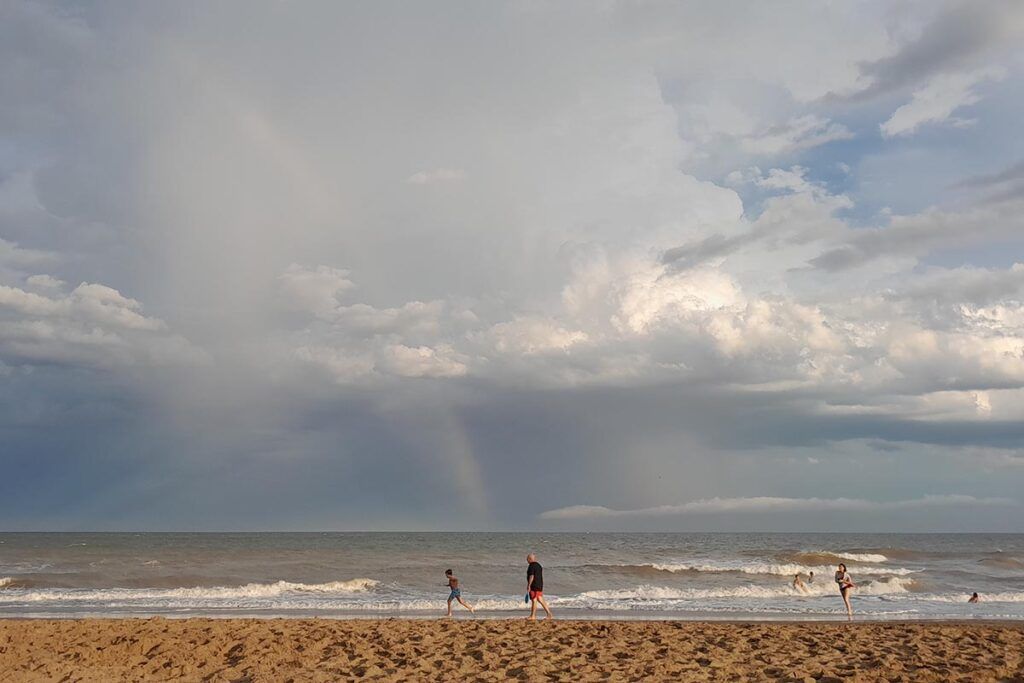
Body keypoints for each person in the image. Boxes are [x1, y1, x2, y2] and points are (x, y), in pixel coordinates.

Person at [526, 553, 553, 620]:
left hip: (534, 585)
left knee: (534, 600)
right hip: (539, 585)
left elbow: (532, 576)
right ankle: (549, 614)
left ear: (530, 559)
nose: (527, 560)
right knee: (540, 599)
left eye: (527, 559)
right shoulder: (539, 565)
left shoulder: (531, 566)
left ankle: (533, 616)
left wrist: (529, 585)